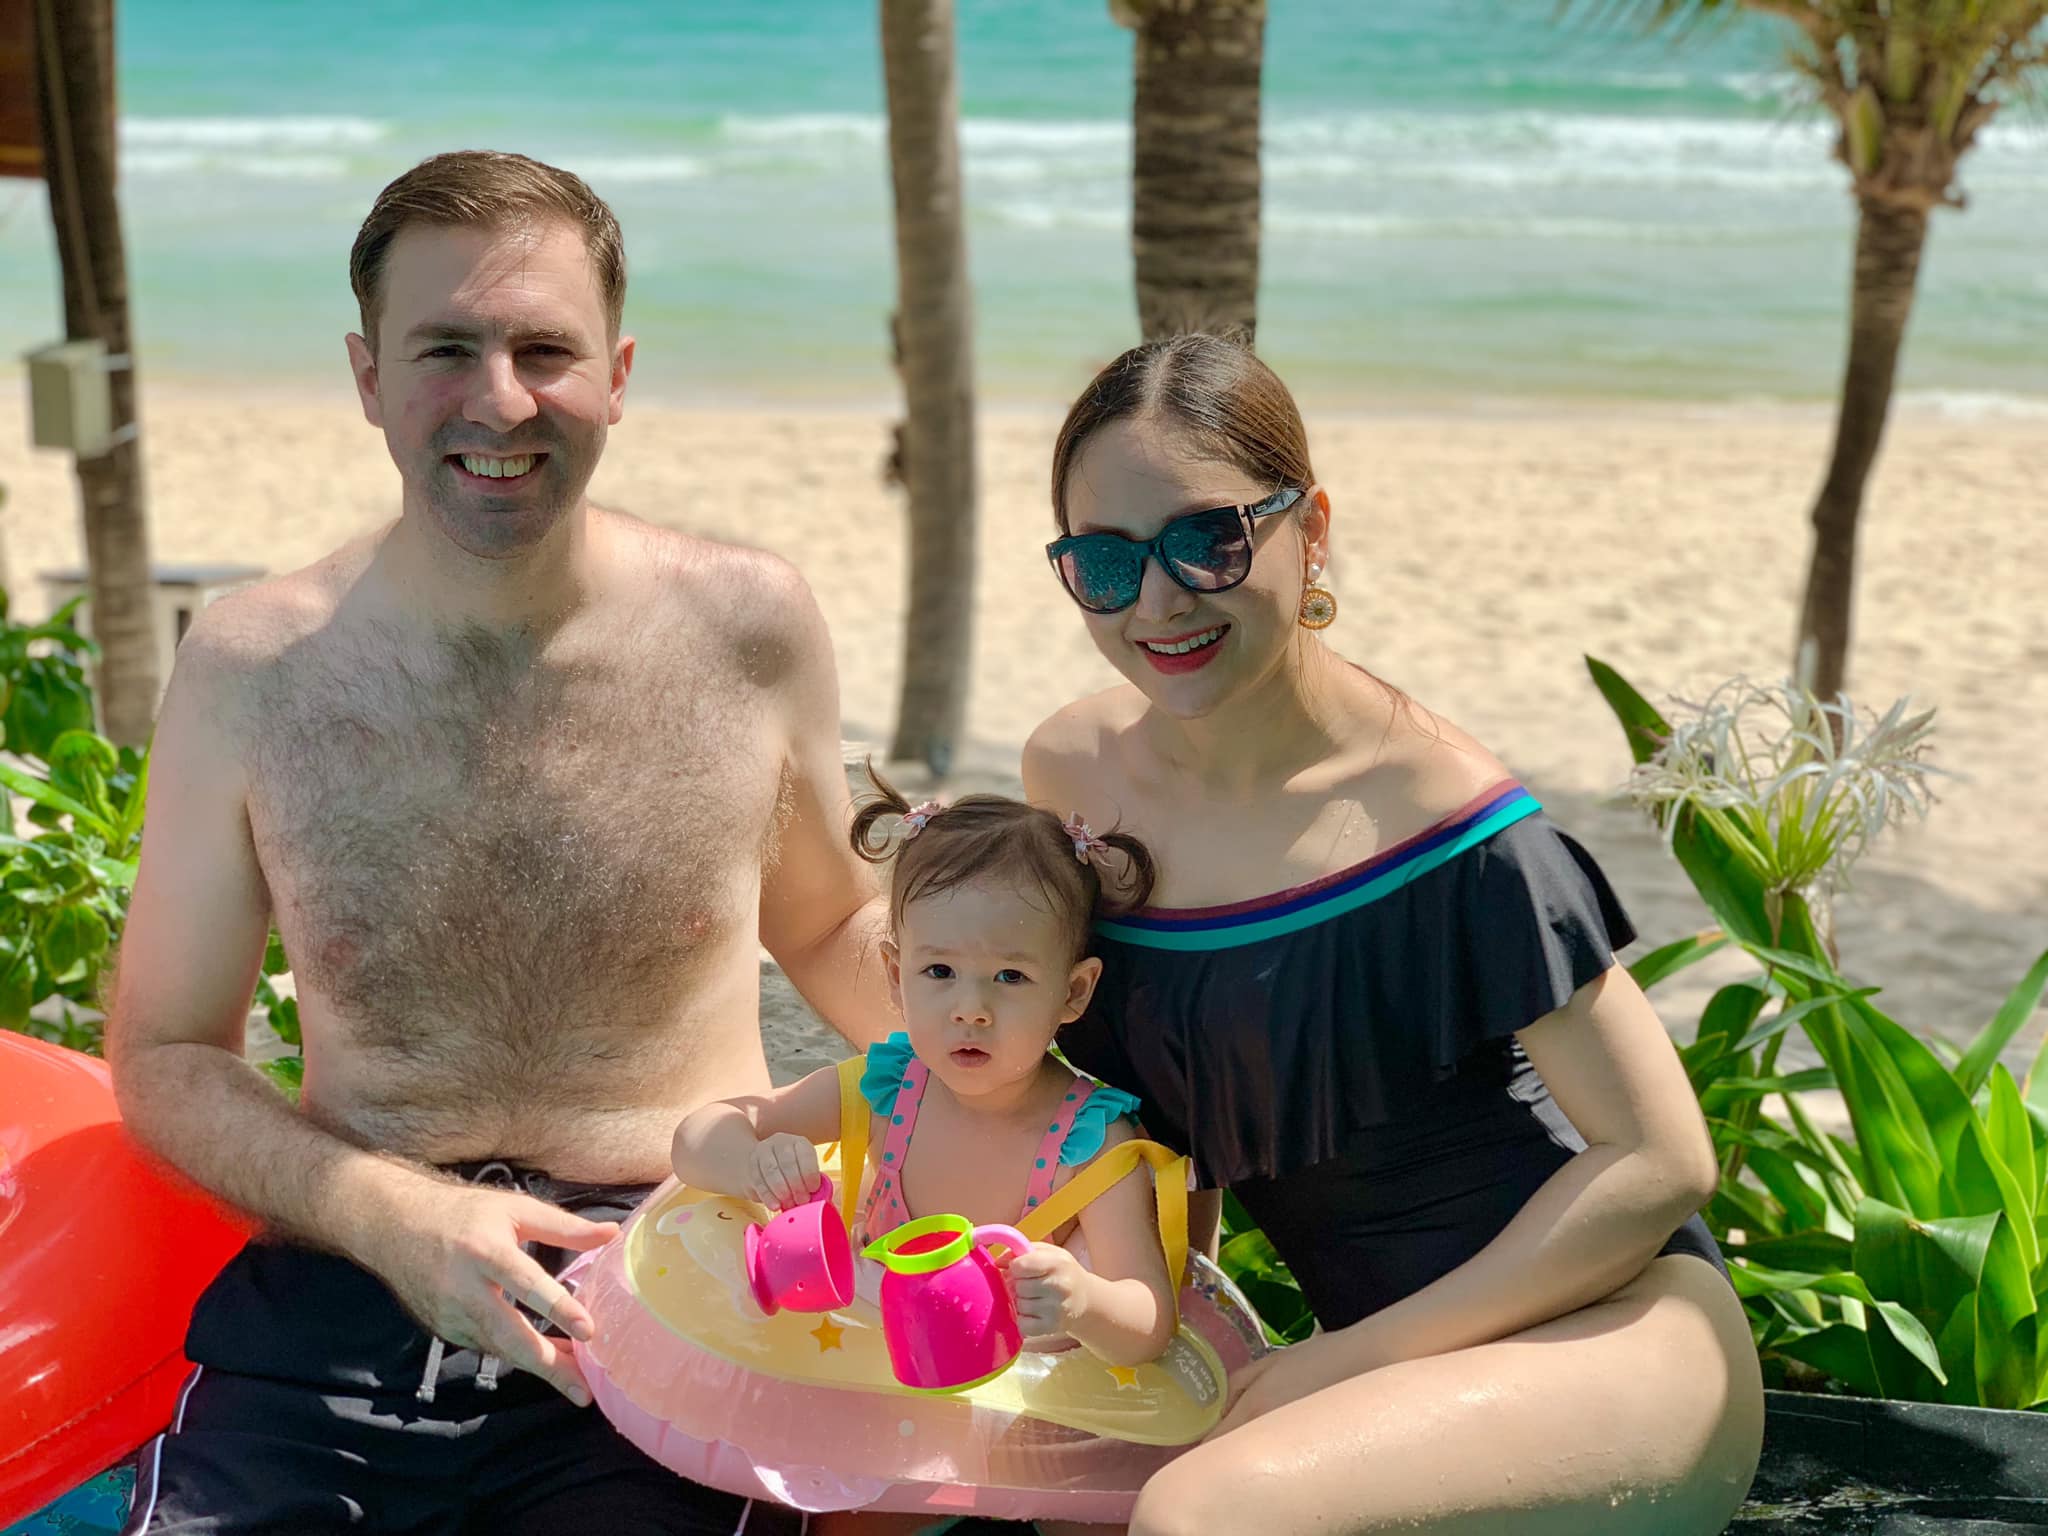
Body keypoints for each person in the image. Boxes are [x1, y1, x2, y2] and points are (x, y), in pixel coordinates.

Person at [105, 150, 891, 1535]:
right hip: (348, 1281)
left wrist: (1038, 1082)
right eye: (446, 350)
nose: (501, 400)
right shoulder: (255, 668)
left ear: (619, 375)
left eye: (544, 350)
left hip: (673, 1285)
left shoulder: (747, 629)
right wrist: (391, 1216)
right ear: (368, 378)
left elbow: (829, 923)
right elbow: (167, 1052)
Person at [1022, 333, 1765, 1536]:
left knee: (1195, 1519)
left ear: (1307, 529)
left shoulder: (1442, 816)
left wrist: (1340, 1361)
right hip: (1388, 1378)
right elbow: (1154, 1123)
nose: (1157, 601)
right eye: (1103, 560)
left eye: (1207, 542)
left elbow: (1659, 1160)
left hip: (1614, 1340)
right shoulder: (1074, 775)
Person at [671, 770, 1179, 1535]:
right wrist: (750, 1162)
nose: (971, 1008)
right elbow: (696, 1137)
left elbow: (1149, 1321)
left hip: (1035, 1424)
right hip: (885, 1398)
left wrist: (1083, 1301)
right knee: (827, 1520)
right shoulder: (886, 1090)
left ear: (1073, 993)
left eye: (1011, 976)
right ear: (894, 973)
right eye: (939, 972)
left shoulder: (1091, 1141)